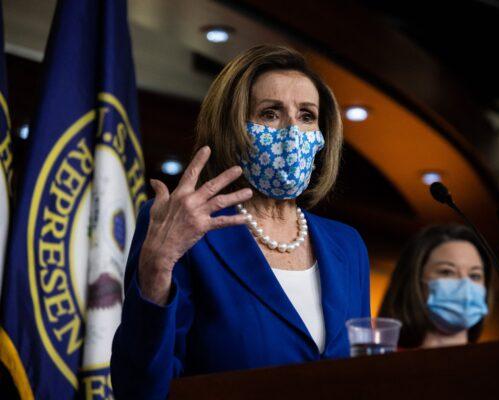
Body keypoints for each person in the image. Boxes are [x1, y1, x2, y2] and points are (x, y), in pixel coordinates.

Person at [110, 44, 371, 399]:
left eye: (307, 116)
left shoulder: (348, 245)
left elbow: (365, 375)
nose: (292, 131)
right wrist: (155, 271)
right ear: (233, 128)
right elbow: (139, 390)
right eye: (270, 114)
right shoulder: (187, 229)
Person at [379, 224, 491, 349]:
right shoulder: (385, 362)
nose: (465, 286)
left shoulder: (495, 365)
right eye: (447, 272)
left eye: (475, 276)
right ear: (414, 280)